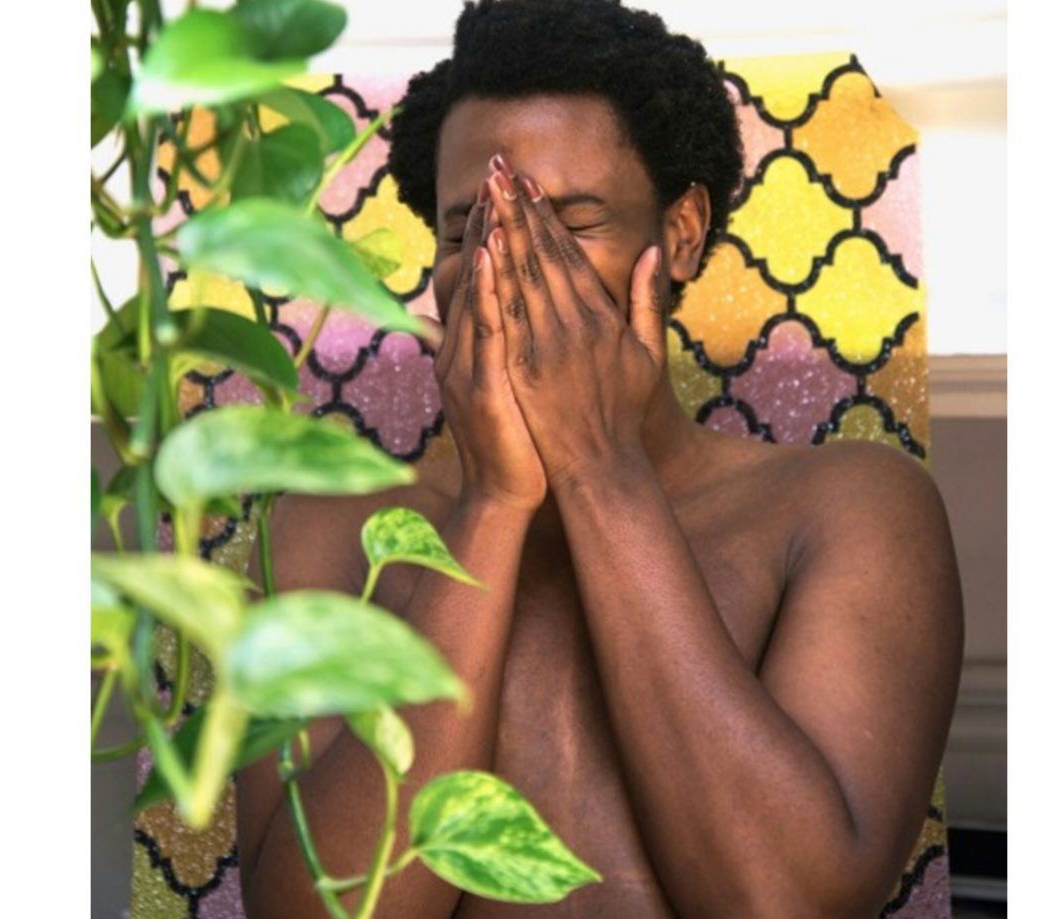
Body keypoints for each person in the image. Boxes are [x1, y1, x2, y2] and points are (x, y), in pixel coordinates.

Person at [235, 1, 964, 917]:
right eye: (467, 233)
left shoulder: (852, 508)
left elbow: (783, 903)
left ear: (681, 235)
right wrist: (493, 502)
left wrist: (597, 465)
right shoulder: (326, 532)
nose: (509, 267)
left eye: (568, 225)